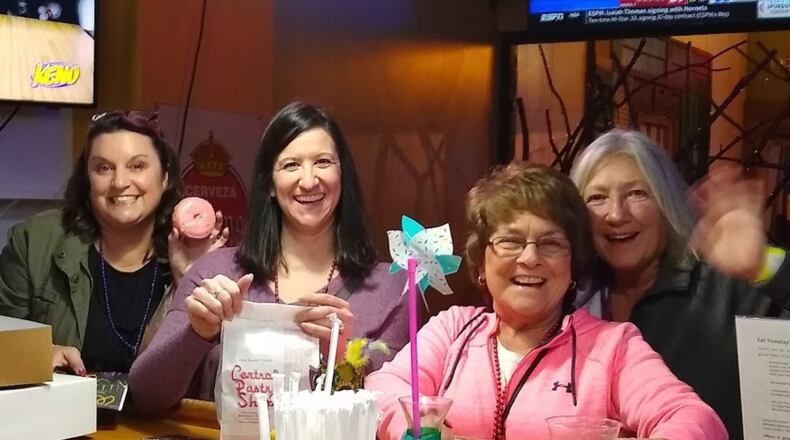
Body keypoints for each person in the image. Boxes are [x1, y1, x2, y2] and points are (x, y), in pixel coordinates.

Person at [366, 162, 726, 440]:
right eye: (510, 241)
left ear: (574, 263)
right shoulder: (454, 328)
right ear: (482, 260)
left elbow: (697, 421)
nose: (529, 258)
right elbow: (384, 387)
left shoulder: (614, 347)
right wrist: (418, 428)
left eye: (551, 243)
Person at [129, 102, 409, 411]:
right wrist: (197, 333)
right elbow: (145, 395)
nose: (308, 179)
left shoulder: (394, 287)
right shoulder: (215, 272)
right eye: (291, 165)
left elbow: (401, 411)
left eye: (323, 162)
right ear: (271, 185)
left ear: (343, 175)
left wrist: (342, 358)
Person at [570, 128, 790, 439]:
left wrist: (764, 264)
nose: (617, 214)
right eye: (597, 198)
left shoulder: (722, 285)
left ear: (665, 204)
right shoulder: (571, 301)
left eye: (637, 193)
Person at [0, 110, 227, 375]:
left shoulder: (200, 258)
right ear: (88, 179)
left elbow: (213, 374)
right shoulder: (36, 241)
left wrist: (187, 282)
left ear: (164, 177)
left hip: (158, 417)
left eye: (137, 166)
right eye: (104, 168)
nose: (120, 182)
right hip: (59, 413)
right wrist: (37, 353)